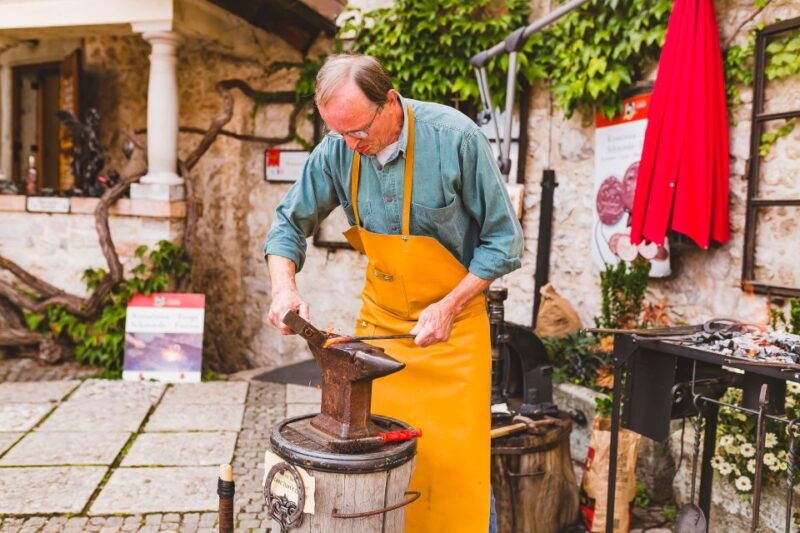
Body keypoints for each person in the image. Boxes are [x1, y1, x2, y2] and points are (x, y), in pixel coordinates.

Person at [264, 54, 522, 532]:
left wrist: (448, 305)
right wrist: (284, 288)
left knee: (454, 474)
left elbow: (504, 243)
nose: (350, 144)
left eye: (358, 131)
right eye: (339, 133)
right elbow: (288, 224)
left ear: (389, 102)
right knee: (379, 473)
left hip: (453, 334)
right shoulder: (337, 150)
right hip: (380, 339)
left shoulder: (456, 139)